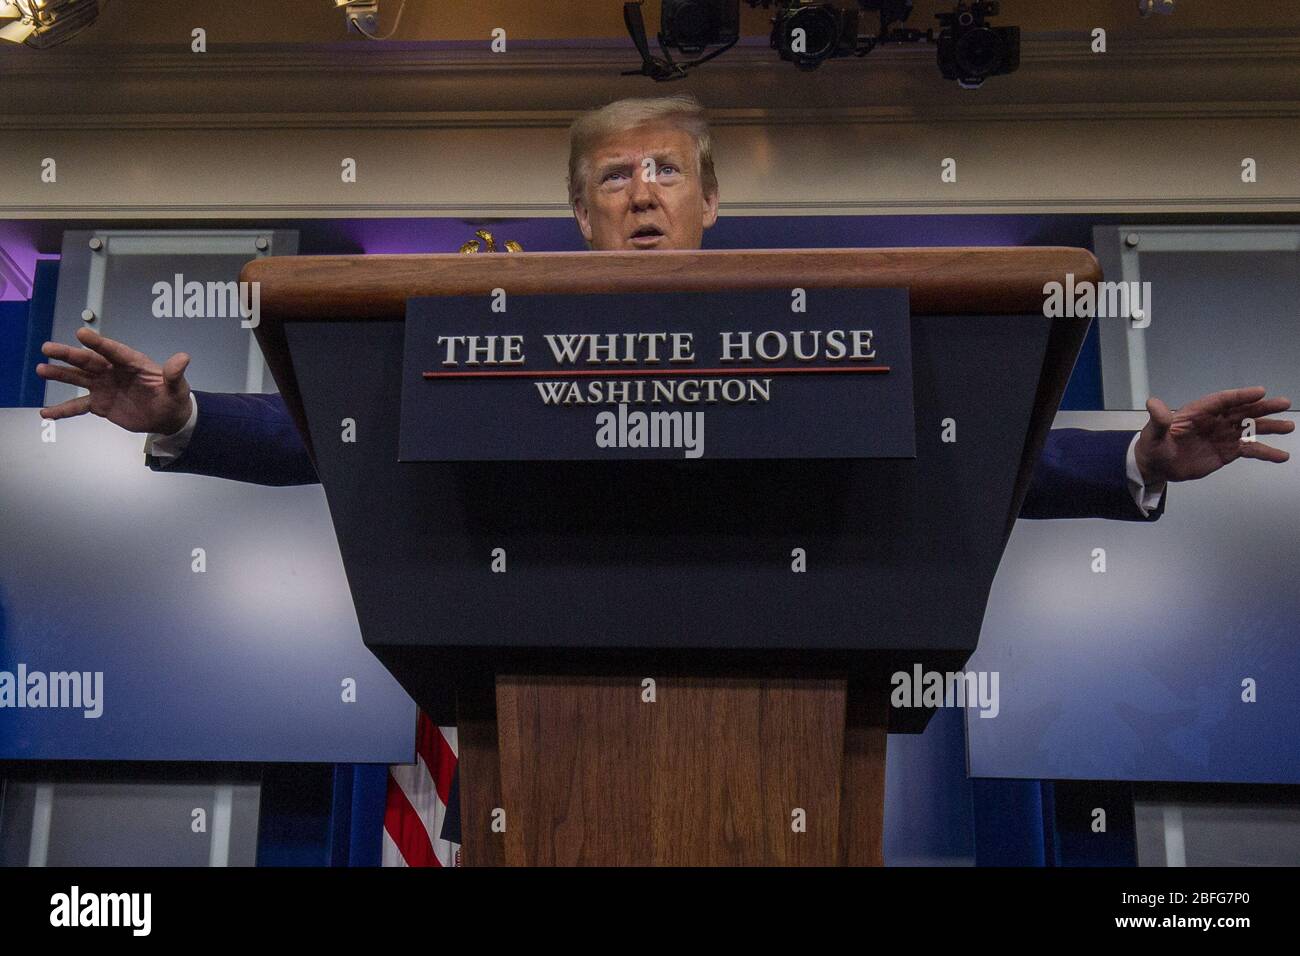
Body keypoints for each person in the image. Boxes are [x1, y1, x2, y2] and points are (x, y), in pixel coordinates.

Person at [35, 94, 1293, 516]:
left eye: (664, 171)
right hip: (532, 666)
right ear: (582, 215)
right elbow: (349, 435)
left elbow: (942, 448)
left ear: (706, 204)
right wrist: (179, 420)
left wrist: (1139, 453)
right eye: (612, 177)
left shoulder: (810, 322)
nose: (640, 192)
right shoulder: (501, 334)